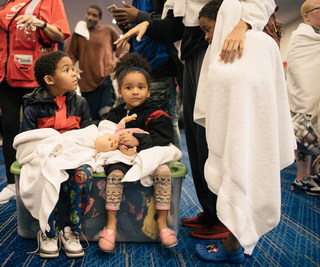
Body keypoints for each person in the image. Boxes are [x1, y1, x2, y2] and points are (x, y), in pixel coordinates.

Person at [114, 0, 275, 240]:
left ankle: (225, 217)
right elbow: (177, 26)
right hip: (189, 53)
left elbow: (263, 2)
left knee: (214, 133)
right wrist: (145, 20)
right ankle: (211, 210)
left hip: (217, 46)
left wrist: (243, 25)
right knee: (197, 135)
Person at [192, 0, 295, 263]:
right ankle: (234, 239)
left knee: (243, 167)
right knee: (243, 167)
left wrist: (241, 24)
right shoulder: (261, 45)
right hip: (248, 135)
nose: (206, 36)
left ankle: (232, 244)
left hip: (246, 134)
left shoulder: (251, 46)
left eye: (208, 29)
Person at [0, 0, 70, 205]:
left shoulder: (49, 1)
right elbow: (1, 41)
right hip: (6, 76)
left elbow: (60, 35)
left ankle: (41, 183)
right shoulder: (9, 3)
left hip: (34, 76)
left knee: (40, 131)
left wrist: (40, 23)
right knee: (9, 129)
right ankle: (11, 184)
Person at [98, 53, 177, 252]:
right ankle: (111, 225)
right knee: (114, 175)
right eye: (129, 87)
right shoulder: (115, 114)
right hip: (122, 158)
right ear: (119, 91)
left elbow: (164, 137)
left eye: (141, 87)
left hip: (149, 156)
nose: (135, 92)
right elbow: (104, 136)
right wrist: (115, 142)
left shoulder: (155, 112)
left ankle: (162, 223)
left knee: (164, 172)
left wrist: (139, 140)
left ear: (149, 91)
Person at [20, 51, 92, 258]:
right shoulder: (32, 106)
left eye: (73, 68)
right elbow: (27, 142)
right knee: (43, 175)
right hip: (47, 159)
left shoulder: (80, 103)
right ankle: (49, 231)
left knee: (84, 174)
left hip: (74, 157)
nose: (74, 74)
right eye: (67, 70)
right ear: (49, 79)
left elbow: (88, 135)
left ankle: (72, 231)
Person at [110, 0, 182, 149]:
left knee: (165, 123)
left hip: (159, 68)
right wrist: (128, 26)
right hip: (140, 68)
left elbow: (173, 26)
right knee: (134, 122)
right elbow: (141, 36)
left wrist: (139, 16)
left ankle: (175, 168)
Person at [64, 5, 128, 124]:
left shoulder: (108, 31)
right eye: (88, 14)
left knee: (106, 116)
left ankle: (107, 140)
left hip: (105, 78)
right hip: (87, 82)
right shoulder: (79, 33)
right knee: (90, 119)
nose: (90, 17)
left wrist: (119, 60)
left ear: (99, 18)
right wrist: (70, 68)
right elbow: (69, 54)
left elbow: (122, 46)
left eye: (94, 15)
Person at [287, 0, 320, 195]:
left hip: (316, 98)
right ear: (307, 15)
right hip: (306, 98)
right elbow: (299, 70)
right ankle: (302, 177)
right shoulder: (300, 37)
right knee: (306, 140)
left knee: (310, 143)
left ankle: (308, 177)